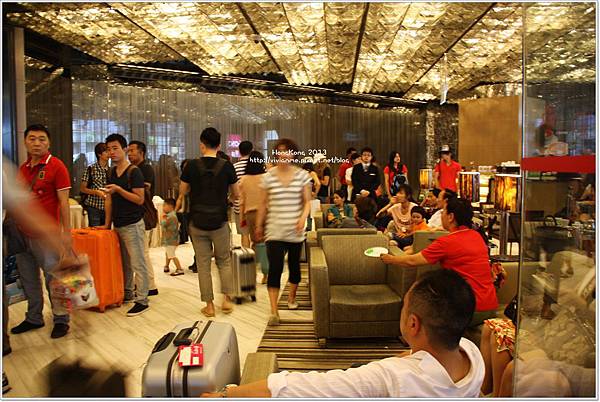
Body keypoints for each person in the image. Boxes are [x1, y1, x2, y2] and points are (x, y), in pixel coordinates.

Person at [201, 269, 484, 398]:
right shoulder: (472, 355)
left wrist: (226, 394)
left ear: (413, 324)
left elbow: (298, 387)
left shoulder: (390, 378)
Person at [381, 197, 498, 325]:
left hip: (469, 309)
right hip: (490, 306)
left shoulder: (447, 242)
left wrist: (391, 259)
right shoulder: (476, 236)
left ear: (451, 217)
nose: (441, 215)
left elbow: (413, 261)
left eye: (443, 212)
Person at [11, 124, 72, 339]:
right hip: (22, 234)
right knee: (28, 279)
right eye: (32, 139)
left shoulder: (57, 166)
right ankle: (34, 317)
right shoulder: (22, 168)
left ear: (49, 143)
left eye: (42, 139)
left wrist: (66, 234)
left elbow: (64, 203)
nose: (37, 143)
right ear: (25, 142)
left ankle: (61, 319)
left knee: (55, 279)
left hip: (47, 236)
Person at [178, 127, 239, 317]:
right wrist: (225, 200)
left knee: (203, 265)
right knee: (224, 261)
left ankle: (210, 306)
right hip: (220, 221)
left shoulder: (191, 166)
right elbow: (236, 194)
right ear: (219, 145)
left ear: (202, 144)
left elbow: (183, 191)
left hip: (197, 221)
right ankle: (227, 300)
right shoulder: (227, 166)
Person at [255, 139, 311, 326]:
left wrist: (303, 217)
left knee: (295, 268)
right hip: (275, 231)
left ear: (293, 154)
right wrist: (258, 225)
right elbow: (263, 204)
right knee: (275, 269)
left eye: (287, 151)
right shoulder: (268, 176)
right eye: (280, 151)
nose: (283, 154)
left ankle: (291, 297)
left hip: (295, 231)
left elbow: (307, 202)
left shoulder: (302, 175)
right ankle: (274, 311)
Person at [100, 133, 151, 316]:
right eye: (108, 149)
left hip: (133, 224)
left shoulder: (134, 171)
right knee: (124, 263)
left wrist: (119, 189)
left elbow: (139, 199)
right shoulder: (110, 172)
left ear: (125, 149)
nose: (111, 152)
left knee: (138, 263)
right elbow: (108, 200)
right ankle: (128, 293)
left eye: (115, 148)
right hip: (118, 224)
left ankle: (142, 300)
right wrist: (107, 224)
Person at [127, 140, 159, 297]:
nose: (129, 153)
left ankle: (149, 285)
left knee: (142, 252)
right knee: (140, 252)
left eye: (132, 150)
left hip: (142, 213)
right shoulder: (135, 168)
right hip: (137, 214)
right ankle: (146, 284)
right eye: (128, 150)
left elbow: (144, 190)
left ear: (142, 152)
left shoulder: (145, 168)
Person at [239, 151, 268, 283]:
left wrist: (242, 218)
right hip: (267, 212)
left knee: (256, 243)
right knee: (268, 243)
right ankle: (266, 274)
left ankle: (252, 272)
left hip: (250, 214)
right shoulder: (267, 177)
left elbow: (242, 201)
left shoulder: (244, 179)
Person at [80, 142, 109, 227]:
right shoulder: (91, 169)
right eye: (106, 151)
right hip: (93, 206)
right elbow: (83, 189)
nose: (109, 153)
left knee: (106, 231)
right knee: (94, 230)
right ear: (99, 154)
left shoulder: (111, 170)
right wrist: (96, 192)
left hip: (107, 207)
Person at [233, 141, 253, 248]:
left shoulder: (234, 167)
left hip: (239, 205)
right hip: (255, 205)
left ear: (239, 152)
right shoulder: (257, 165)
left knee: (244, 234)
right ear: (252, 151)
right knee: (256, 236)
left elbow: (233, 187)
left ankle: (247, 255)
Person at [161, 198, 183, 276]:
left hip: (171, 239)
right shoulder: (172, 215)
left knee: (171, 254)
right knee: (168, 253)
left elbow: (163, 224)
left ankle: (179, 269)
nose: (163, 207)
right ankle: (166, 266)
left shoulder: (170, 216)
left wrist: (162, 218)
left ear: (170, 206)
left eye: (164, 205)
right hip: (171, 238)